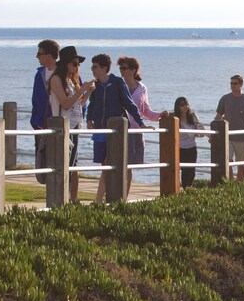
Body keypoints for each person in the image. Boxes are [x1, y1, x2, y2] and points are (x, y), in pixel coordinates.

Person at [85, 54, 147, 203]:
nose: (92, 69)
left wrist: (141, 123)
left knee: (109, 163)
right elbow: (92, 105)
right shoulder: (95, 85)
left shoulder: (117, 83)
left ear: (104, 68)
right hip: (100, 130)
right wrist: (88, 119)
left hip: (115, 132)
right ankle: (105, 199)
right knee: (105, 166)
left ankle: (100, 200)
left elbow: (129, 103)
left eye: (95, 67)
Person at [48, 46, 94, 201]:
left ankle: (69, 200)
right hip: (62, 128)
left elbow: (77, 105)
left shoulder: (70, 81)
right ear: (66, 63)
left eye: (78, 64)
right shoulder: (56, 79)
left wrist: (88, 92)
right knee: (64, 165)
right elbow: (65, 103)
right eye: (74, 63)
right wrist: (81, 91)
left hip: (74, 127)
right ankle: (61, 200)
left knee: (72, 165)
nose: (77, 67)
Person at [117, 56, 164, 196]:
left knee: (129, 167)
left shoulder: (142, 89)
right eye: (120, 68)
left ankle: (123, 197)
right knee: (118, 165)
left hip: (135, 131)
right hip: (120, 130)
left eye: (124, 68)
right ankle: (114, 194)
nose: (121, 71)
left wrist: (160, 115)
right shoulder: (118, 85)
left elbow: (146, 111)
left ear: (133, 70)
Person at [215, 74, 244, 182]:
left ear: (241, 84)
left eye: (235, 83)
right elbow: (218, 117)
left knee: (241, 164)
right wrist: (213, 133)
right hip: (227, 136)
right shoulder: (225, 99)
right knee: (228, 162)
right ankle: (230, 183)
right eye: (231, 83)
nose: (233, 86)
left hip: (242, 137)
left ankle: (239, 184)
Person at [30, 39, 60, 183]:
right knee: (43, 160)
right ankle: (50, 193)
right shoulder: (39, 74)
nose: (37, 56)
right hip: (42, 125)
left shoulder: (63, 73)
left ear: (49, 55)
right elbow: (36, 100)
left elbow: (76, 98)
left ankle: (67, 198)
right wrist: (36, 122)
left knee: (63, 161)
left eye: (39, 53)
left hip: (61, 124)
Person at [173, 96, 205, 188]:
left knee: (191, 170)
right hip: (181, 148)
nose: (185, 107)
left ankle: (189, 188)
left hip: (192, 147)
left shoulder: (192, 116)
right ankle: (184, 188)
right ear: (178, 107)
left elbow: (201, 130)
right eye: (182, 105)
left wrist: (206, 134)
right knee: (184, 169)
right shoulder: (176, 119)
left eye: (186, 104)